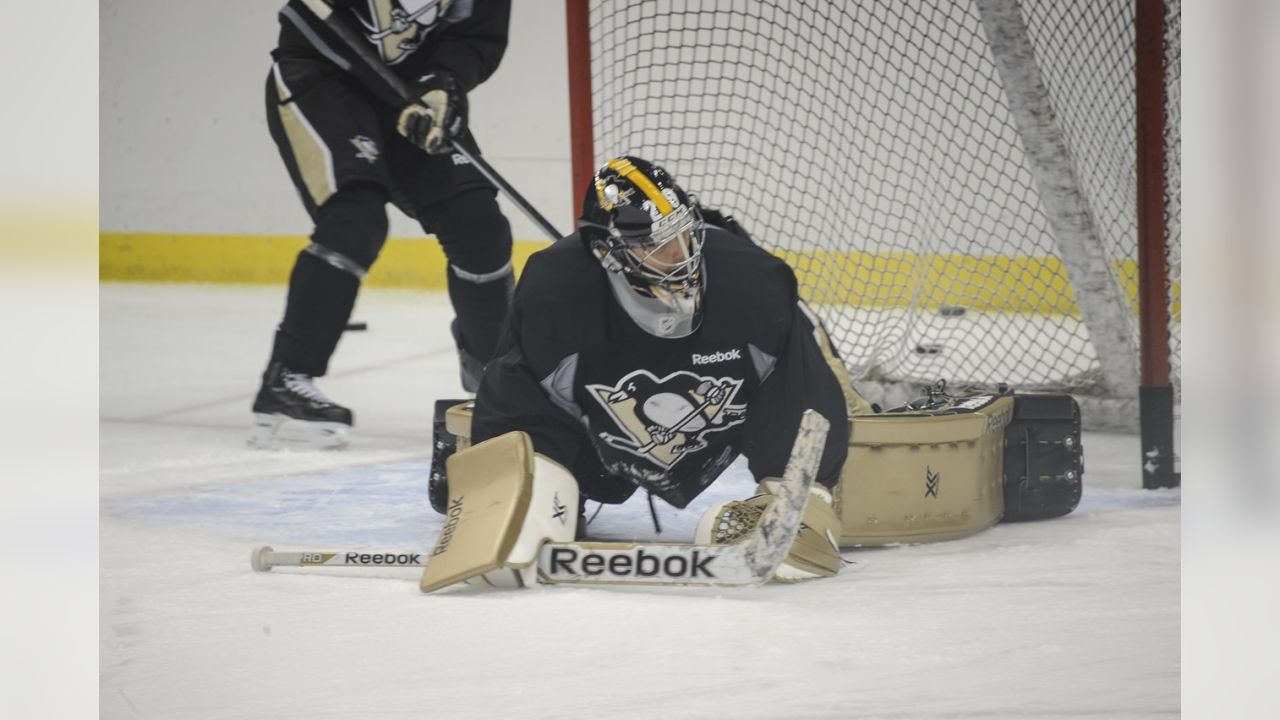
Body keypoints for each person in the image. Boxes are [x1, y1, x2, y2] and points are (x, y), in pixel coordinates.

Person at [458, 156, 852, 581]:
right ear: (605, 251)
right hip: (597, 442)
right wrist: (515, 486)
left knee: (796, 494)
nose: (681, 255)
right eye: (657, 244)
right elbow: (519, 401)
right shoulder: (555, 293)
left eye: (684, 233)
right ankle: (536, 497)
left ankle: (796, 502)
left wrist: (802, 492)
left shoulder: (753, 281)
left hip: (727, 421)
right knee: (526, 507)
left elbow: (801, 396)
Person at [249, 0, 514, 449]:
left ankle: (498, 374)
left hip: (410, 93)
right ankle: (287, 377)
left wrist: (443, 84)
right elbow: (311, 18)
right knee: (356, 220)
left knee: (479, 228)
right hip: (321, 78)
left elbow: (475, 35)